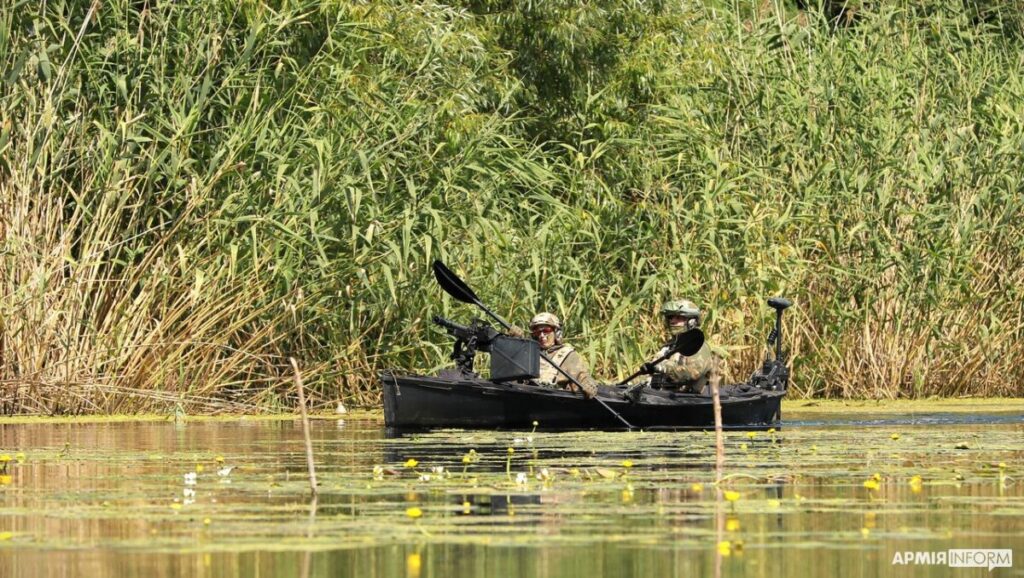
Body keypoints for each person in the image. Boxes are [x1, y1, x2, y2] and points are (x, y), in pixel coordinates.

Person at [647, 299, 721, 394]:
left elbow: (692, 373)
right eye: (670, 317)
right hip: (664, 397)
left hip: (690, 400)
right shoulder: (669, 346)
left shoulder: (698, 345)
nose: (673, 321)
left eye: (678, 317)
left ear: (691, 321)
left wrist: (663, 367)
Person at [527, 312, 598, 398]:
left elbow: (583, 377)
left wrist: (589, 385)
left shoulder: (568, 355)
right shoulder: (529, 352)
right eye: (538, 332)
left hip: (556, 403)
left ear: (557, 333)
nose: (541, 335)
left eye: (546, 331)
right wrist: (515, 338)